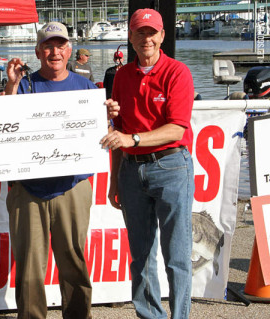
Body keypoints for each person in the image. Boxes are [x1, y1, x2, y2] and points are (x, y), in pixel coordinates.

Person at [3, 22, 119, 319]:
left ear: (69, 50)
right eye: (47, 46)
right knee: (29, 268)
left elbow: (103, 134)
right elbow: (3, 129)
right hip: (29, 188)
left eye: (60, 45)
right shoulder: (24, 85)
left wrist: (108, 118)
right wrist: (9, 87)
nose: (54, 51)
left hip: (73, 186)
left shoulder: (87, 88)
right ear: (37, 51)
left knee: (73, 262)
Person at [102, 9, 195, 319]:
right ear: (131, 37)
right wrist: (115, 180)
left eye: (152, 32)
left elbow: (177, 128)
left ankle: (179, 315)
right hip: (131, 171)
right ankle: (149, 316)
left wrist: (134, 139)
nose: (147, 38)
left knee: (176, 256)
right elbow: (116, 131)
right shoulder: (122, 76)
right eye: (140, 32)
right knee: (140, 255)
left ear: (162, 36)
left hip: (171, 167)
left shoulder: (177, 72)